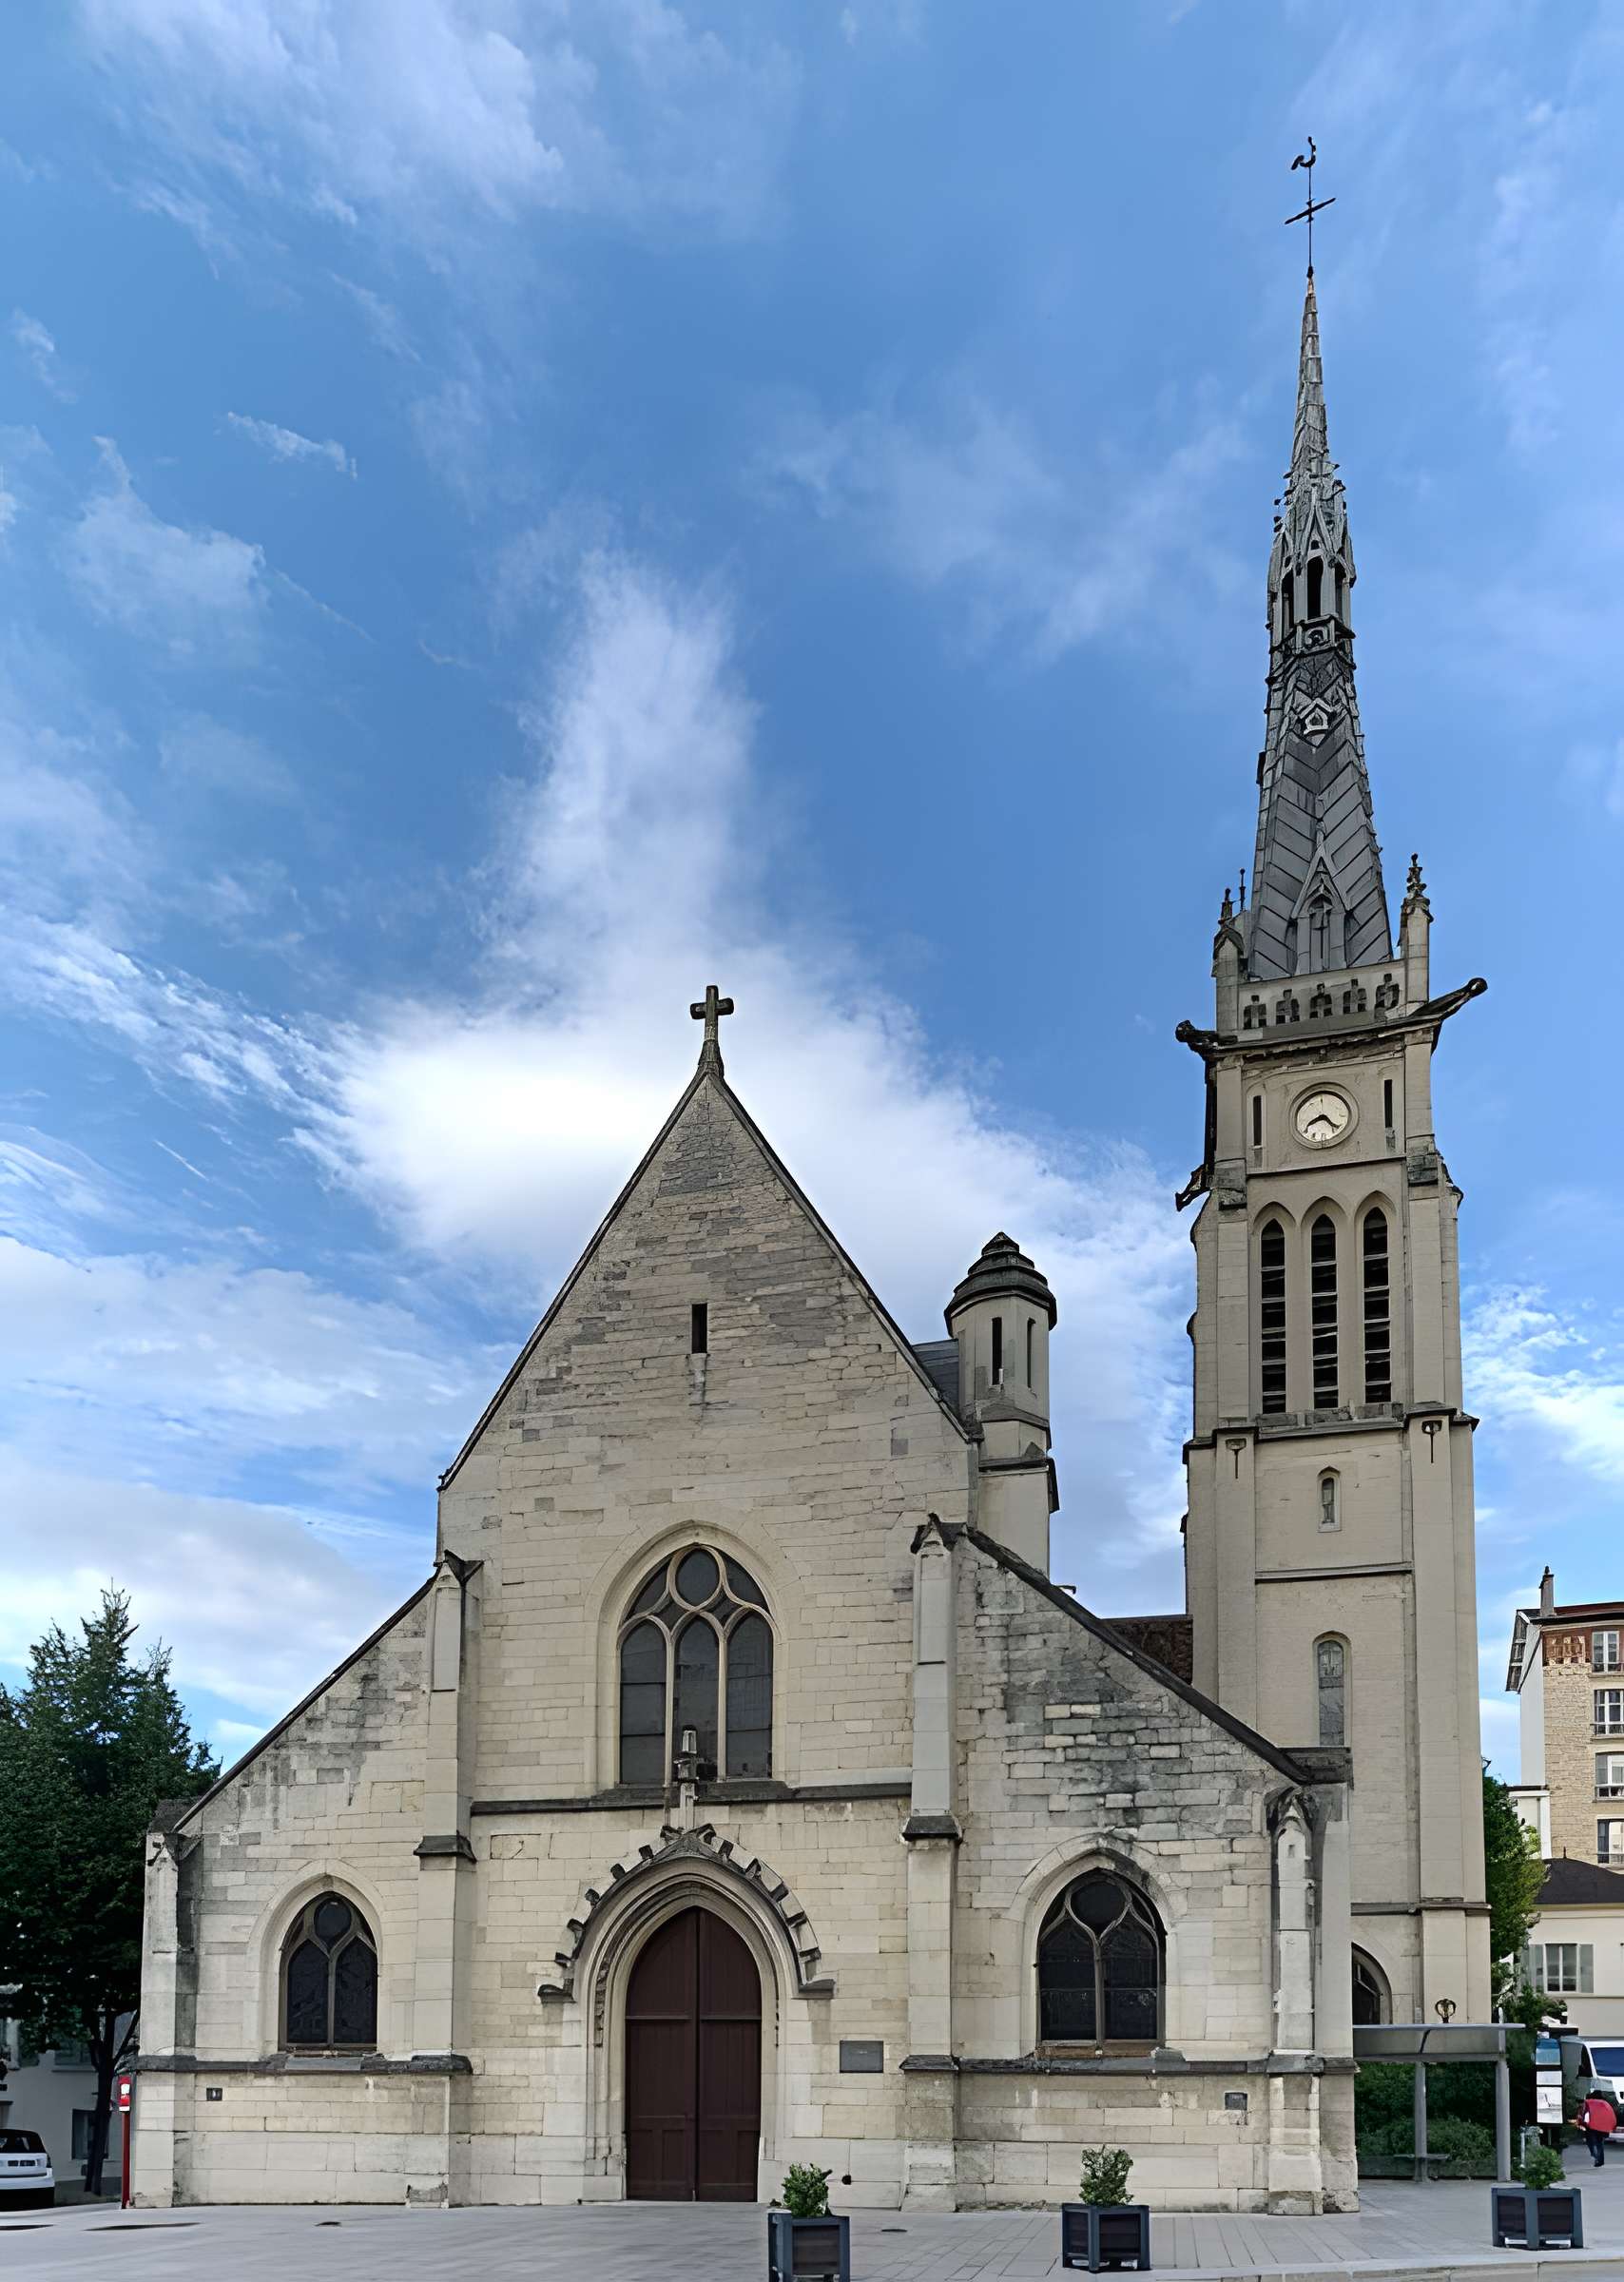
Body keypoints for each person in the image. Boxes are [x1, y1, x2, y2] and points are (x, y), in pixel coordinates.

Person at [1575, 2088, 1618, 2167]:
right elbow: (1609, 2115)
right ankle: (1600, 2160)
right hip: (1601, 2128)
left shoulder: (1589, 2103)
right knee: (1599, 2144)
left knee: (1591, 2143)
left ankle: (1596, 2157)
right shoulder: (1604, 2104)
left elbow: (1585, 2115)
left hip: (1591, 2127)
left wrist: (1582, 2122)